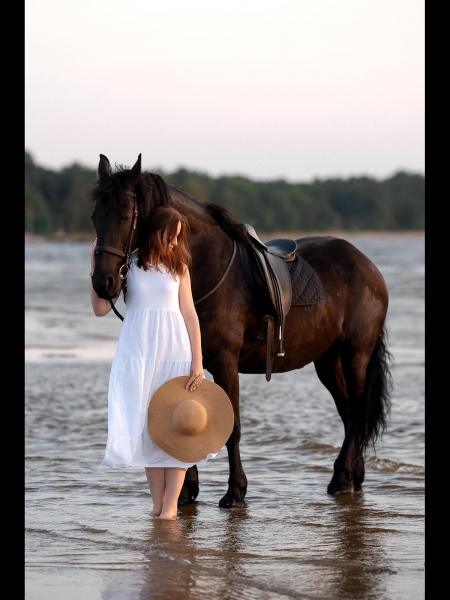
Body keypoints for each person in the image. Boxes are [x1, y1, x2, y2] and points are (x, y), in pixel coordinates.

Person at [90, 205, 215, 520]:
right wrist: (93, 265)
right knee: (150, 430)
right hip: (139, 354)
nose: (174, 243)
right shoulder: (129, 266)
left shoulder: (179, 268)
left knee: (176, 429)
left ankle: (170, 509)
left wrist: (197, 361)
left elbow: (190, 315)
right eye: (170, 236)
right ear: (155, 231)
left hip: (175, 353)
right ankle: (158, 506)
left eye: (177, 238)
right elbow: (101, 309)